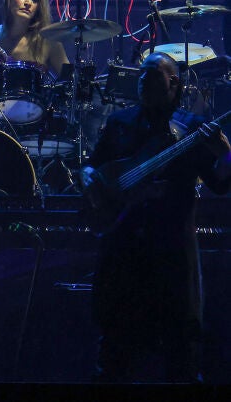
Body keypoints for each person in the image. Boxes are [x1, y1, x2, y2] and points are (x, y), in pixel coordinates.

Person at [81, 52, 231, 382]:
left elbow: (221, 184)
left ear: (173, 82)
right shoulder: (119, 122)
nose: (141, 81)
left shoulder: (192, 128)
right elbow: (92, 166)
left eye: (151, 76)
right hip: (123, 248)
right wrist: (89, 177)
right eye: (140, 75)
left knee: (181, 351)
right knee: (115, 350)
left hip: (172, 251)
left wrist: (226, 154)